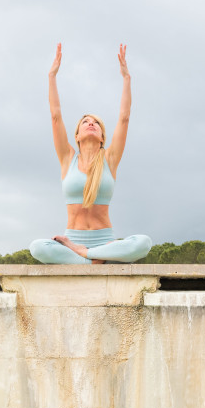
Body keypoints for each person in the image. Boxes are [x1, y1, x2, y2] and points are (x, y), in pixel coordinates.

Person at [29, 44, 152, 265]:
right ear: (76, 135)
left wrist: (126, 78)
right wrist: (51, 76)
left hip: (104, 241)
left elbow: (124, 118)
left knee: (144, 243)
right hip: (72, 240)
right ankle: (96, 261)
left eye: (96, 123)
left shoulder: (109, 159)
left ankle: (86, 256)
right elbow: (55, 116)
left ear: (103, 137)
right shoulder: (68, 158)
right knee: (37, 248)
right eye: (85, 122)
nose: (91, 124)